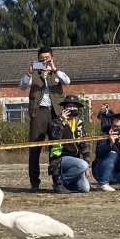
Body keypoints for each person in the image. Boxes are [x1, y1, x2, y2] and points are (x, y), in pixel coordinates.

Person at [20, 47, 70, 192]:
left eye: (47, 58)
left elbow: (67, 81)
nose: (45, 61)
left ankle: (57, 181)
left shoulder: (57, 73)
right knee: (35, 148)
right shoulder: (34, 75)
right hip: (39, 112)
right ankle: (34, 182)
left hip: (57, 112)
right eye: (42, 59)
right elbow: (22, 86)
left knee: (56, 147)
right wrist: (30, 72)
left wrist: (54, 69)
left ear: (52, 58)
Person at [48, 94, 91, 193]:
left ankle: (66, 184)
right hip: (60, 158)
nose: (72, 108)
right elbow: (55, 137)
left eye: (74, 106)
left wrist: (88, 165)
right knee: (82, 165)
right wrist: (62, 121)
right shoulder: (56, 122)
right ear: (64, 108)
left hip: (75, 159)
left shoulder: (79, 123)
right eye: (69, 106)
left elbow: (84, 144)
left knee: (85, 188)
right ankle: (58, 182)